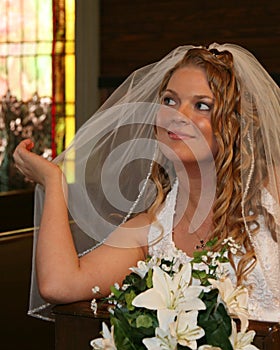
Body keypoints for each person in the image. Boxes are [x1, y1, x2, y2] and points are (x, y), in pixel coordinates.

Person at [13, 43, 279, 323]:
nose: (179, 116)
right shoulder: (152, 230)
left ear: (235, 123)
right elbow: (60, 284)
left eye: (202, 106)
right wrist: (54, 181)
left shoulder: (273, 189)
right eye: (169, 101)